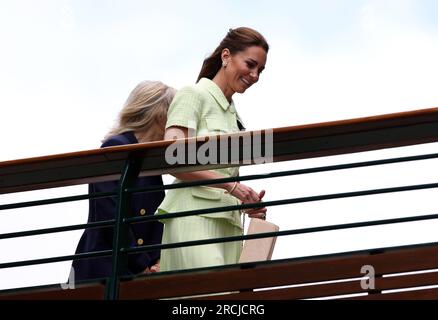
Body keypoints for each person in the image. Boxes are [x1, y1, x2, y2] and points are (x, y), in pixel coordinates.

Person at [157, 27, 269, 272]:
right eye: (250, 64)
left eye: (260, 70)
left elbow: (227, 177)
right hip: (194, 216)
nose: (255, 75)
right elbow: (173, 160)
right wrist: (232, 187)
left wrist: (246, 201)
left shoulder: (236, 118)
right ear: (226, 56)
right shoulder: (193, 94)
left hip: (229, 225)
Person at [71, 80, 176, 281]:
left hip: (134, 270)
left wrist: (157, 260)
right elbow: (110, 215)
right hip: (106, 270)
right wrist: (141, 263)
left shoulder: (148, 158)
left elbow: (154, 219)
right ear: (161, 116)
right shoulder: (116, 148)